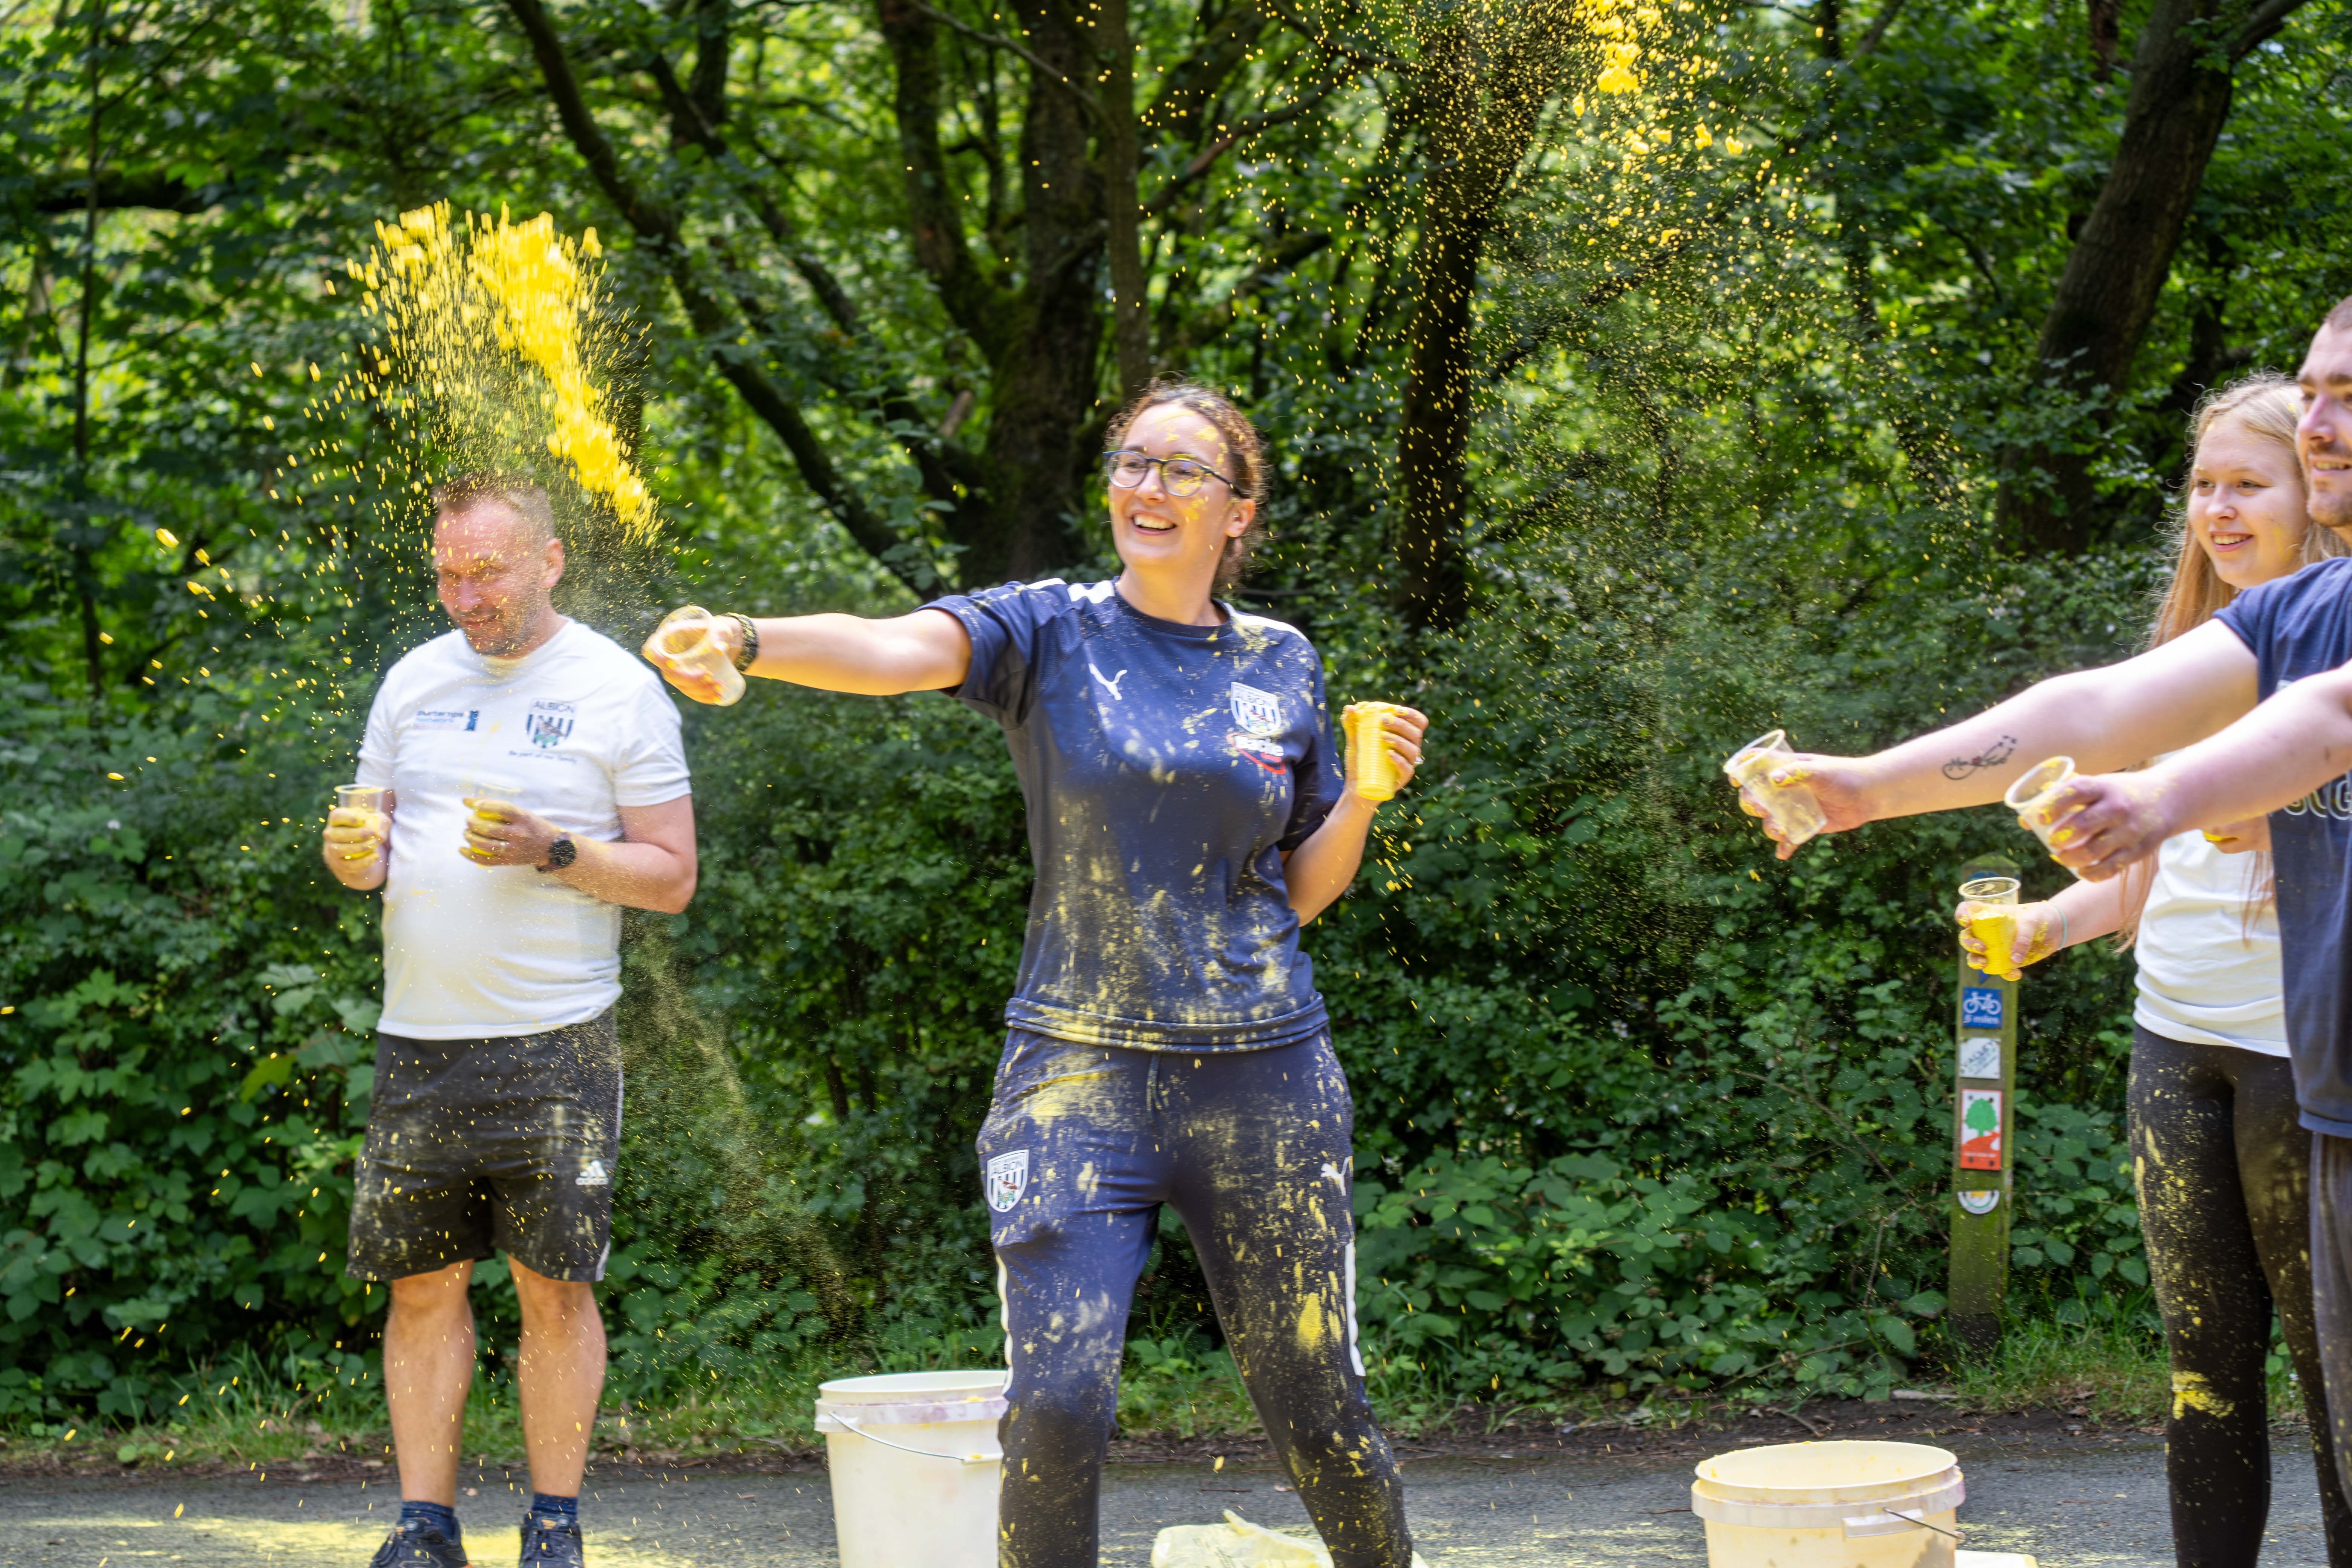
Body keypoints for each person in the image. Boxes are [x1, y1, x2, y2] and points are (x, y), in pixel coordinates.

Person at [649, 380, 1429, 1568]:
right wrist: (749, 641)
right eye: (1131, 462)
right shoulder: (1050, 631)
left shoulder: (1284, 662)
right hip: (1078, 1076)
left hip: (1266, 1078)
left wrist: (1365, 794)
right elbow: (901, 648)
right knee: (1058, 1406)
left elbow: (1302, 888)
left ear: (1240, 512)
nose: (1147, 487)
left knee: (1320, 1403)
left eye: (1182, 470)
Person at [1733, 307, 2352, 1558]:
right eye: (2315, 392)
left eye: (2347, 398)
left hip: (2307, 1077)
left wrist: (2162, 799)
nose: (2324, 423)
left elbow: (2333, 719)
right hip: (2302, 1083)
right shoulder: (2305, 609)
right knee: (2227, 1382)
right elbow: (2100, 706)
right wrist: (1868, 786)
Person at [1949, 377, 2351, 1566]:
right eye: (2204, 487)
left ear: (2315, 499)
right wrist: (2049, 927)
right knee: (2202, 1376)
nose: (2218, 513)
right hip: (2175, 1042)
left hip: (2306, 1065)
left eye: (2249, 486)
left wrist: (2263, 814)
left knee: (2337, 1392)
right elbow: (2152, 869)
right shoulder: (2193, 655)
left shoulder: (2328, 638)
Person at [321, 474, 698, 1568]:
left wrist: (559, 852)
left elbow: (672, 877)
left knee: (556, 1290)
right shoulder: (412, 681)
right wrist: (354, 862)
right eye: (447, 572)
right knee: (421, 1287)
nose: (463, 596)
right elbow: (366, 845)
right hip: (418, 1037)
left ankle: (554, 1525)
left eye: (486, 571)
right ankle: (425, 1525)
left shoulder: (619, 691)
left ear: (549, 560)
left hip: (558, 1039)